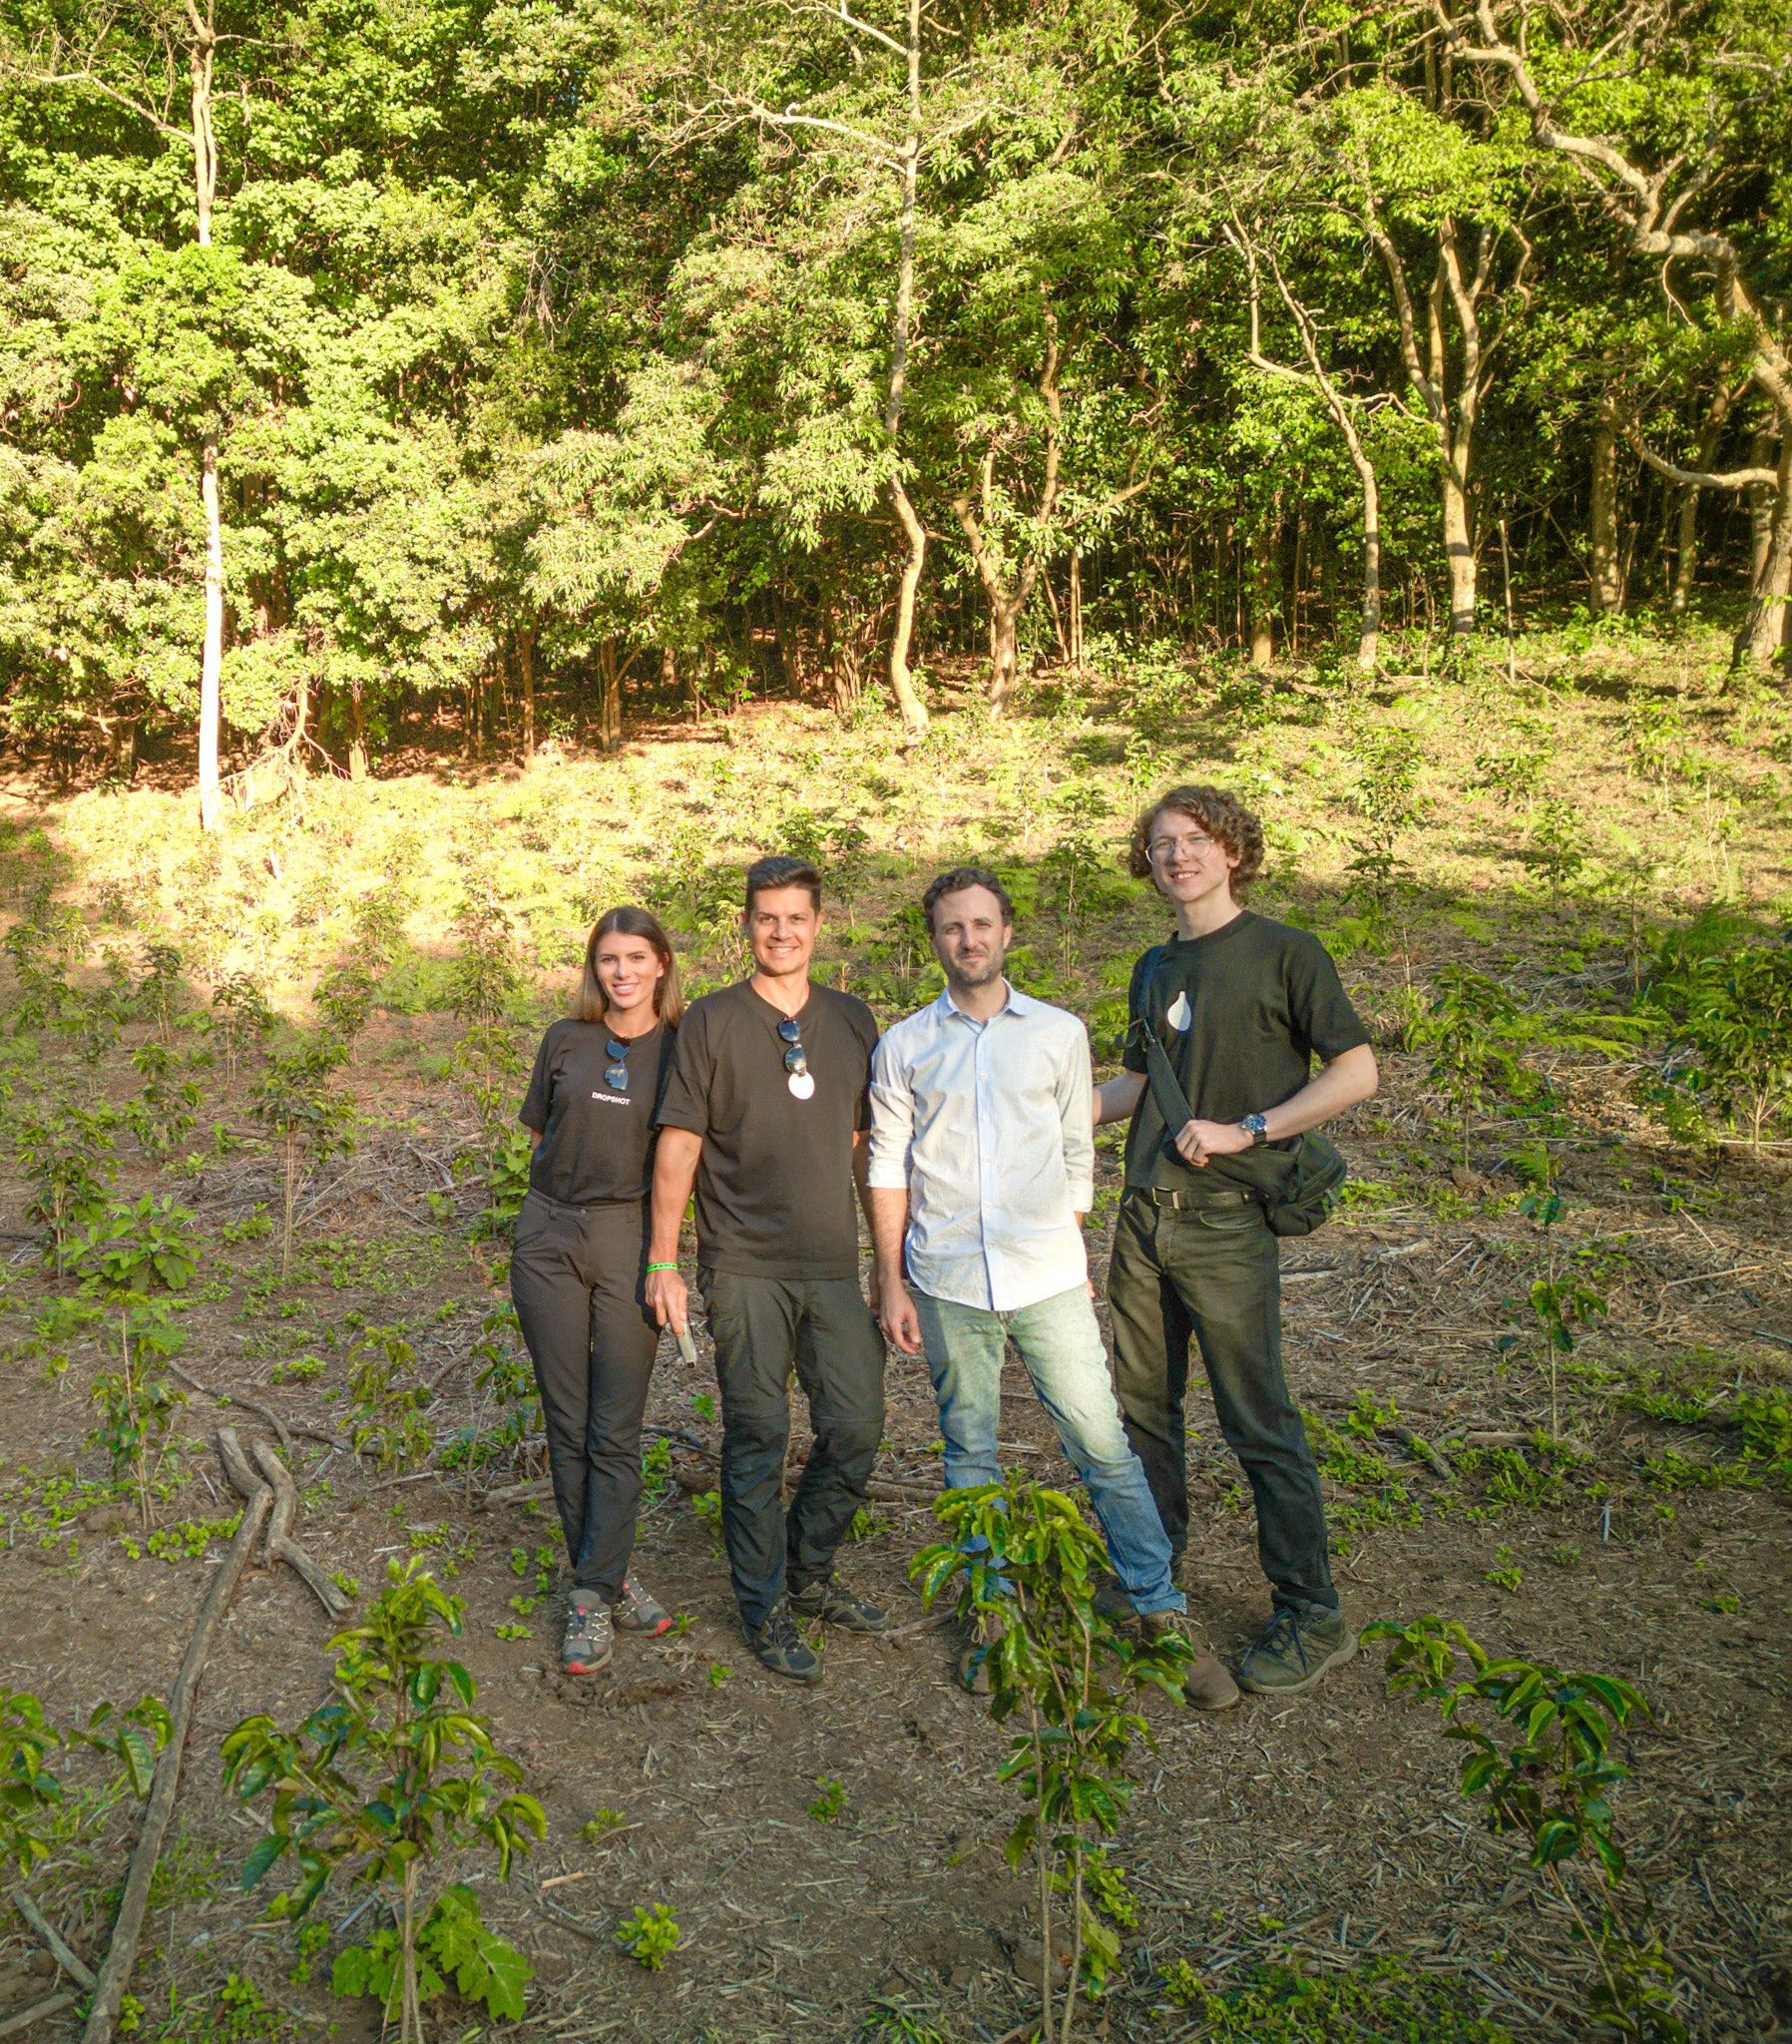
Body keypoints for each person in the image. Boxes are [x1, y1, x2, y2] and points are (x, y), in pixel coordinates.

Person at [867, 867, 1240, 1706]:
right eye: (953, 928)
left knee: (1103, 1446)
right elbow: (888, 1163)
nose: (969, 940)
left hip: (1046, 1277)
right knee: (971, 1453)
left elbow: (1079, 1145)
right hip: (949, 1277)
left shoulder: (1058, 1033)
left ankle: (1160, 1612)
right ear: (935, 942)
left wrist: (1067, 1232)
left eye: (983, 924)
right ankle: (991, 1619)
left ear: (1008, 933)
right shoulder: (904, 1045)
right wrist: (888, 1279)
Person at [1096, 785, 1380, 1697]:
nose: (1177, 855)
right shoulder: (1152, 966)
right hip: (1143, 1218)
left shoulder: (1286, 953)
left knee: (1258, 1423)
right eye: (1162, 842)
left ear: (1233, 852)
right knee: (1142, 1417)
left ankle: (1311, 1612)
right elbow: (1139, 1085)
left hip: (1225, 1226)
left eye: (1196, 840)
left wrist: (1249, 1128)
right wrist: (1022, 1108)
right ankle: (1154, 1579)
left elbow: (1357, 1072)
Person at [645, 855, 887, 1685]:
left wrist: (889, 1265)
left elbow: (868, 1149)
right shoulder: (711, 1022)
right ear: (746, 926)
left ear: (820, 925)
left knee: (856, 1425)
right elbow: (679, 1144)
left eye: (796, 918)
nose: (781, 932)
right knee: (759, 1432)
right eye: (766, 918)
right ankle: (763, 1604)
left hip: (832, 1266)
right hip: (743, 1263)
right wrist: (664, 1260)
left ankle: (808, 1570)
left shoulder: (855, 1021)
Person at [511, 906, 684, 1677]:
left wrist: (664, 1254)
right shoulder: (564, 1039)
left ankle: (592, 1587)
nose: (622, 972)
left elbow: (687, 1157)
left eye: (637, 958)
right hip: (549, 1236)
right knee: (566, 1417)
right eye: (609, 959)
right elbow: (544, 1139)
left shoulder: (684, 1049)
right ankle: (602, 1580)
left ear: (661, 967)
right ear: (595, 967)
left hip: (629, 1239)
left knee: (615, 1425)